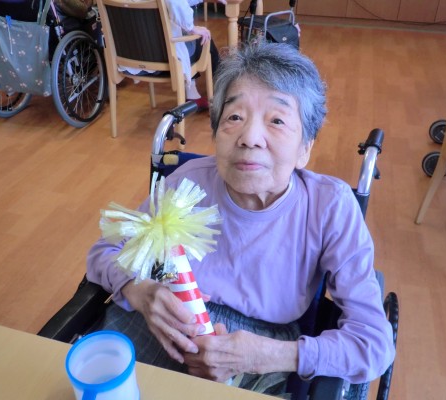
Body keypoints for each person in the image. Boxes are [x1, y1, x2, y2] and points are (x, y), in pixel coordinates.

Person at [87, 41, 395, 397]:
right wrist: (139, 291)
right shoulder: (186, 185)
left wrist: (267, 355)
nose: (250, 138)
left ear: (305, 148)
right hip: (169, 319)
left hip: (267, 345)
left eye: (277, 120)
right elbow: (104, 252)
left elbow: (374, 343)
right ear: (216, 133)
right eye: (234, 117)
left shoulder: (330, 208)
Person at [119, 0, 221, 110]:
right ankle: (224, 90)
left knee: (181, 29)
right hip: (167, 60)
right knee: (203, 37)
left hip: (129, 61)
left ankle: (193, 92)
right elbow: (176, 4)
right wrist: (192, 28)